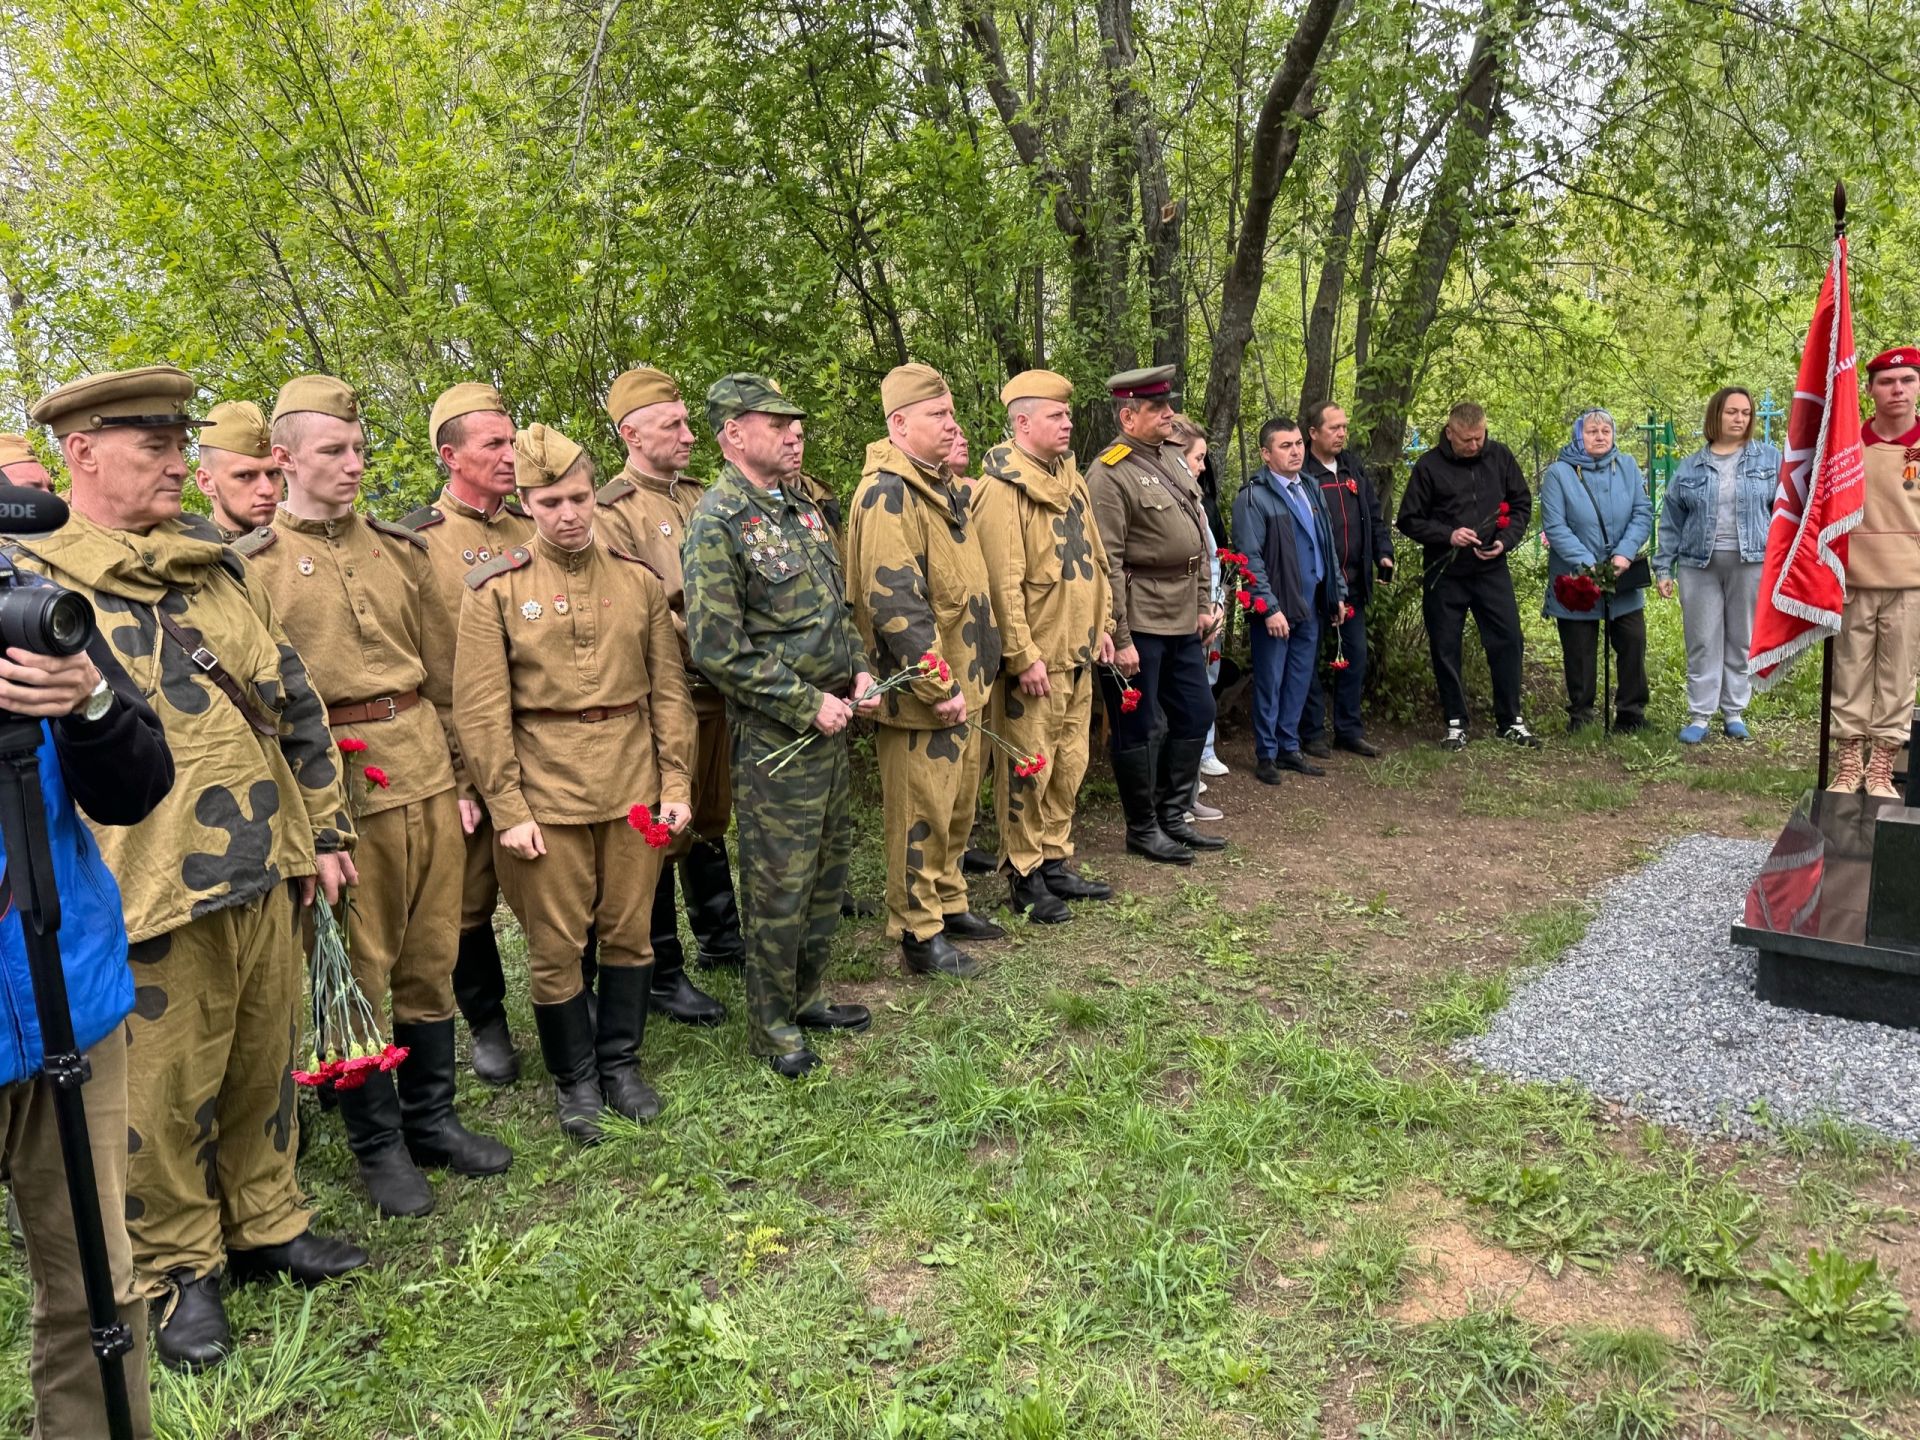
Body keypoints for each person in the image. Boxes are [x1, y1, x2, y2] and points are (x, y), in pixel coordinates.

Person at [17, 365, 365, 1372]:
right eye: (152, 446)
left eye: (181, 443)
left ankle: (269, 1220)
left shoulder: (213, 564)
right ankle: (179, 1271)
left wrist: (327, 832)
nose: (177, 461)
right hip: (144, 883)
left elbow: (291, 699)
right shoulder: (36, 580)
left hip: (267, 862)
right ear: (80, 454)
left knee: (265, 1055)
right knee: (162, 1096)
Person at [242, 375, 510, 1215]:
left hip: (425, 767)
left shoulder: (402, 550)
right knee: (356, 971)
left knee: (432, 954)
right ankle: (378, 1144)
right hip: (341, 792)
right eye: (334, 450)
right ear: (282, 459)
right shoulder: (253, 568)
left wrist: (465, 776)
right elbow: (265, 711)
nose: (354, 464)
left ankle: (433, 1119)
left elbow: (447, 673)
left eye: (359, 449)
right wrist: (309, 827)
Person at [454, 423, 695, 1140]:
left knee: (630, 934)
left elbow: (669, 692)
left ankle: (620, 1065)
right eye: (551, 500)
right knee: (557, 947)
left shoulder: (637, 580)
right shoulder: (494, 591)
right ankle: (576, 1082)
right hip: (546, 786)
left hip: (630, 781)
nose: (569, 513)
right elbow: (482, 709)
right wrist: (508, 808)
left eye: (580, 497)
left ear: (595, 495)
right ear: (526, 503)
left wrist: (674, 785)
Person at [0, 554, 172, 1436]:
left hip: (70, 995)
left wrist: (88, 701)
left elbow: (137, 787)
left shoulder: (21, 602)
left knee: (98, 1289)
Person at [683, 375, 879, 1078]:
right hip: (779, 735)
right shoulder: (719, 521)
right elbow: (715, 648)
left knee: (827, 871)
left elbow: (835, 606)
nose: (795, 433)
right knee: (779, 884)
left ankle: (806, 995)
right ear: (733, 434)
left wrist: (858, 671)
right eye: (777, 424)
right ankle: (770, 1027)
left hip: (834, 716)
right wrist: (805, 704)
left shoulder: (801, 507)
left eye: (797, 423)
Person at [848, 364, 1003, 977]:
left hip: (965, 683)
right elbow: (895, 603)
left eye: (951, 412)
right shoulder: (890, 492)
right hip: (926, 695)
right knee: (921, 813)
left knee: (957, 807)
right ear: (899, 423)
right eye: (938, 415)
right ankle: (918, 929)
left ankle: (949, 898)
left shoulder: (937, 484)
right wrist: (937, 684)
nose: (952, 424)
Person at [596, 367, 738, 1025]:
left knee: (709, 815)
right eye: (672, 425)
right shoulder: (611, 512)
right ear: (631, 433)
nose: (688, 435)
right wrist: (721, 640)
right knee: (659, 830)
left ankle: (722, 939)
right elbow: (639, 607)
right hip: (666, 689)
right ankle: (660, 971)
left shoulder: (699, 495)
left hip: (717, 689)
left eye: (686, 423)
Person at [401, 383, 534, 1086]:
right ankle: (487, 1023)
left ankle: (573, 997)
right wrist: (454, 776)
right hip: (463, 746)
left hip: (541, 741)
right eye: (495, 445)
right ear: (451, 455)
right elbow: (423, 673)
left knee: (558, 882)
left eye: (512, 443)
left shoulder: (530, 530)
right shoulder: (418, 544)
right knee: (467, 898)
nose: (511, 456)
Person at [971, 369, 1115, 924]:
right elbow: (1000, 582)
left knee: (1070, 763)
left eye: (1068, 414)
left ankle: (1055, 859)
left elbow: (1095, 559)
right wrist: (1021, 654)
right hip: (1036, 662)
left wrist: (1103, 624)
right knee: (1029, 769)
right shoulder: (1003, 489)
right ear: (1023, 423)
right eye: (1057, 415)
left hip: (1077, 653)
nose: (1068, 422)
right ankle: (1024, 874)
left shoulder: (1071, 480)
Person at [1086, 366, 1224, 864]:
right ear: (1128, 415)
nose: (1169, 414)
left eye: (1168, 405)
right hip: (1138, 620)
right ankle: (1142, 828)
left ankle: (1173, 817)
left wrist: (1204, 605)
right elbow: (1108, 561)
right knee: (1139, 726)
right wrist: (1119, 637)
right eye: (1157, 408)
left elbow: (1197, 533)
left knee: (1196, 711)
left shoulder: (1170, 458)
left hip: (1183, 615)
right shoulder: (1108, 472)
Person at [1396, 402, 1540, 750]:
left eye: (1479, 437)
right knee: (1446, 644)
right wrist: (1448, 535)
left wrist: (1505, 541)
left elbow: (1521, 503)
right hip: (1446, 570)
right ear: (1450, 433)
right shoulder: (1429, 466)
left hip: (1491, 566)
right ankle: (1456, 722)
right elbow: (1409, 519)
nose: (1474, 445)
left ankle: (1511, 720)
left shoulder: (1500, 457)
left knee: (1508, 639)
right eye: (1466, 440)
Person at [1653, 387, 1779, 744]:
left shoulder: (1769, 460)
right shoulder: (1692, 465)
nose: (1740, 419)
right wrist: (1664, 567)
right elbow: (1671, 519)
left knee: (1742, 637)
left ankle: (1735, 712)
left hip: (1751, 562)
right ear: (1715, 416)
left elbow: (1786, 512)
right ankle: (1699, 715)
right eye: (1731, 412)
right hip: (1698, 565)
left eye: (1745, 413)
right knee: (1703, 640)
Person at [1231, 418, 1346, 784]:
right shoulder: (1253, 496)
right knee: (1271, 679)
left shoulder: (1310, 488)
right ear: (1266, 454)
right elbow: (1250, 558)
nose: (1295, 451)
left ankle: (1289, 747)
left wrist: (1337, 592)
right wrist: (1268, 607)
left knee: (1299, 677)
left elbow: (1327, 545)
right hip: (1276, 607)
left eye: (1298, 443)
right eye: (1285, 446)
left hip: (1310, 600)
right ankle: (1266, 754)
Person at [1830, 348, 1920, 796]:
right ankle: (1849, 764)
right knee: (1850, 672)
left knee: (1899, 676)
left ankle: (1883, 764)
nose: (1897, 389)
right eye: (1887, 381)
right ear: (1870, 390)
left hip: (1910, 583)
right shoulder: (1848, 447)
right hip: (1853, 581)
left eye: (1906, 380)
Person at [1541, 408, 1654, 733]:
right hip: (1577, 578)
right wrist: (1587, 562)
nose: (1601, 436)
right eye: (1592, 431)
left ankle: (1631, 714)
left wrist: (1624, 553)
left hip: (1623, 572)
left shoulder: (1628, 466)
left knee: (1633, 640)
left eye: (1606, 430)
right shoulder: (1558, 474)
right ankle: (1581, 717)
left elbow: (1642, 512)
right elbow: (1555, 525)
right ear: (1579, 435)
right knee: (1579, 648)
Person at [1300, 401, 1393, 758]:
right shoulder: (1304, 474)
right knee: (1308, 659)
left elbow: (1374, 515)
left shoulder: (1353, 467)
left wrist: (1383, 551)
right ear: (1313, 433)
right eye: (1333, 428)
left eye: (1344, 427)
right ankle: (1311, 732)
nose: (1341, 434)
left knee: (1354, 656)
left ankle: (1348, 730)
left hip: (1354, 583)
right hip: (1317, 586)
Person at [1165, 415, 1225, 820]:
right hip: (1169, 621)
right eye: (1198, 458)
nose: (1203, 467)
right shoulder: (1163, 500)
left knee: (1199, 705)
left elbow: (1211, 562)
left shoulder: (1197, 504)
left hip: (1202, 615)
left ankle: (1184, 794)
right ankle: (1171, 800)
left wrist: (1214, 606)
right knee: (1175, 711)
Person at [193, 401, 282, 539]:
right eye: (245, 476)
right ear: (206, 482)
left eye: (274, 473)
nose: (267, 489)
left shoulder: (305, 547)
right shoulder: (194, 556)